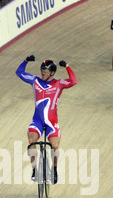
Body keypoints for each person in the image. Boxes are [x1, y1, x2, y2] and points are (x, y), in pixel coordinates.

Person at [16, 55, 77, 184]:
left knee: (54, 145)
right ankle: (34, 170)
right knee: (31, 140)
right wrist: (26, 60)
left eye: (45, 70)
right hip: (37, 120)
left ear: (52, 73)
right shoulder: (35, 81)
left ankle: (54, 170)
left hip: (52, 123)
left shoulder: (59, 84)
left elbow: (73, 81)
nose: (42, 72)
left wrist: (67, 66)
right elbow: (19, 73)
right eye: (42, 69)